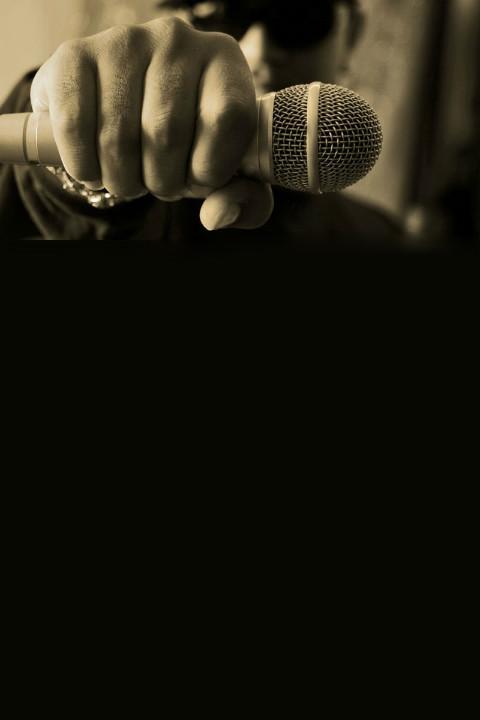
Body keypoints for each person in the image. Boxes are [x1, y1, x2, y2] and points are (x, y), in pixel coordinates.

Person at [1, 0, 404, 249]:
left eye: (298, 16)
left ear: (352, 32)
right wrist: (77, 149)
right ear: (179, 22)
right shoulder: (146, 213)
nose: (257, 50)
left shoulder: (381, 238)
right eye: (223, 13)